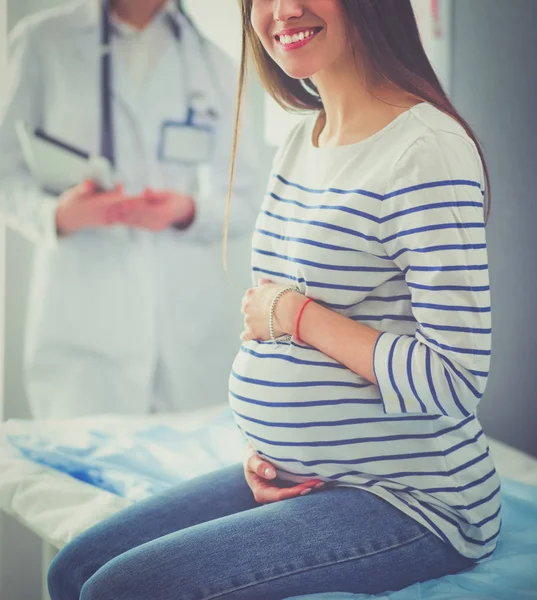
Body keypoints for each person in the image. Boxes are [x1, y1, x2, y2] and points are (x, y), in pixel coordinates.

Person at [47, 0, 500, 597]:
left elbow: (455, 377)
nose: (283, 10)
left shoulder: (425, 150)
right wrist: (267, 452)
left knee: (117, 590)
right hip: (302, 477)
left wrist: (297, 315)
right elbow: (271, 332)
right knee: (72, 570)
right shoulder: (300, 140)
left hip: (410, 499)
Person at [0, 0, 261, 418]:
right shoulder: (41, 42)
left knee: (189, 471)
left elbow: (245, 198)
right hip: (84, 318)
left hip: (187, 320)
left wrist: (189, 211)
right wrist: (57, 216)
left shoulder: (214, 62)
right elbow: (5, 175)